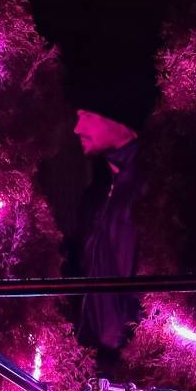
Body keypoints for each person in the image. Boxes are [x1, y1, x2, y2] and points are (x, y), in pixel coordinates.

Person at [69, 65, 157, 371]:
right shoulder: (106, 183)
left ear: (118, 120)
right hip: (96, 351)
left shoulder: (149, 184)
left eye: (87, 116)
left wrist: (129, 347)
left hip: (125, 359)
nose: (78, 128)